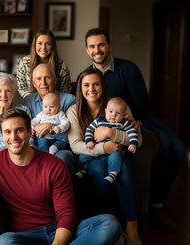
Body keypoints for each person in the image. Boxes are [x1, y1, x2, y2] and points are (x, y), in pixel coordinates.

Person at [84, 28, 185, 231]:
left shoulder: (127, 68)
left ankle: (158, 201)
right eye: (93, 46)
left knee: (178, 149)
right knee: (163, 145)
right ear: (87, 50)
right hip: (114, 123)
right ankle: (155, 205)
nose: (98, 50)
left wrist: (133, 120)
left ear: (110, 46)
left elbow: (142, 103)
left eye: (101, 45)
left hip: (140, 118)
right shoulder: (88, 77)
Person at [0, 108, 122, 244]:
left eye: (19, 130)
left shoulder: (54, 164)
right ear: (2, 136)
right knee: (4, 242)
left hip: (59, 229)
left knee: (109, 224)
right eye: (8, 132)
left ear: (30, 132)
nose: (13, 137)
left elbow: (66, 213)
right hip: (25, 237)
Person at [66, 68, 141, 243]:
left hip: (118, 155)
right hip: (91, 158)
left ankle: (131, 225)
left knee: (122, 168)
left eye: (96, 84)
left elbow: (139, 139)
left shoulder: (117, 104)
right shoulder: (73, 111)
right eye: (86, 85)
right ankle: (114, 223)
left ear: (103, 86)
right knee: (99, 169)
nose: (91, 89)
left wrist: (111, 133)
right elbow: (76, 145)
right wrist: (105, 148)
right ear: (80, 88)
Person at [21, 63, 77, 175]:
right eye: (39, 79)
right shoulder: (27, 102)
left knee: (62, 158)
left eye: (47, 77)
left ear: (55, 80)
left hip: (61, 147)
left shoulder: (70, 100)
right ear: (33, 83)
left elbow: (75, 133)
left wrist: (51, 127)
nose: (43, 83)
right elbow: (25, 128)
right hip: (36, 146)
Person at [76, 97, 139, 184]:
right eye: (110, 112)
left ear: (124, 115)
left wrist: (133, 143)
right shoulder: (99, 120)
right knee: (83, 156)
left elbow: (132, 133)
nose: (113, 115)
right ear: (105, 111)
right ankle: (83, 170)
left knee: (116, 157)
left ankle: (113, 173)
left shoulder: (124, 123)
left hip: (115, 149)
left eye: (118, 113)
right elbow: (89, 129)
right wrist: (89, 141)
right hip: (98, 148)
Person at [16, 29, 72, 98]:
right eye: (40, 43)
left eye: (48, 44)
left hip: (54, 103)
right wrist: (34, 101)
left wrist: (51, 102)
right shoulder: (24, 62)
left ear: (52, 46)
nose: (43, 48)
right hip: (31, 102)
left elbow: (65, 90)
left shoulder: (61, 66)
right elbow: (21, 87)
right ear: (35, 45)